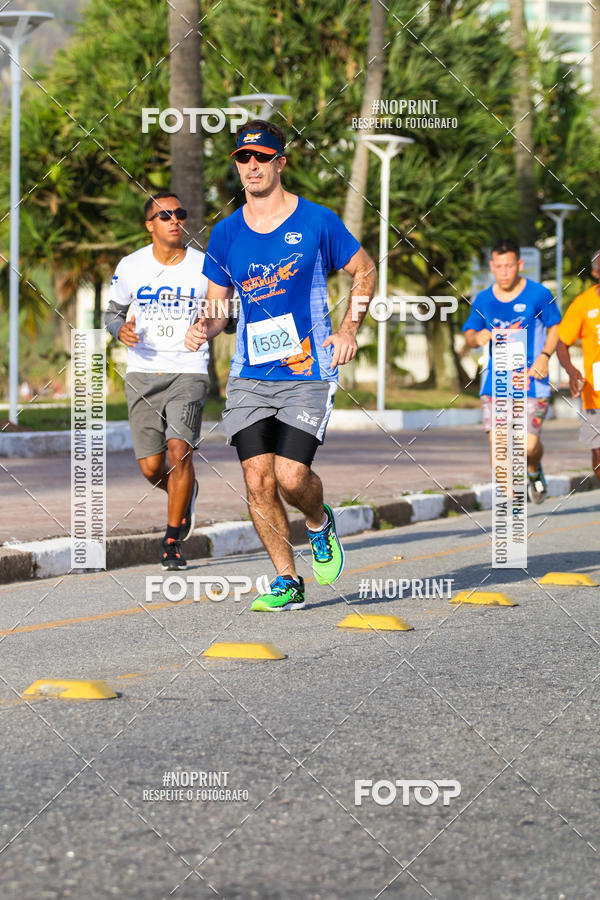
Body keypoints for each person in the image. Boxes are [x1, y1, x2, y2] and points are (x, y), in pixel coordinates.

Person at [185, 120, 376, 610]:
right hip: (250, 376)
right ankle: (287, 580)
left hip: (308, 374)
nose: (251, 166)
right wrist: (201, 327)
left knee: (292, 478)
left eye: (261, 157)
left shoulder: (316, 222)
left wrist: (349, 329)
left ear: (280, 163)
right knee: (257, 480)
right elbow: (218, 307)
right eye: (243, 158)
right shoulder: (226, 234)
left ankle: (317, 521)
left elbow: (365, 270)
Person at [104, 190, 209, 570]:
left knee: (179, 452)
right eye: (165, 215)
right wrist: (120, 331)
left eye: (180, 213)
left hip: (189, 368)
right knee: (152, 467)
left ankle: (171, 540)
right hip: (143, 372)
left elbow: (226, 314)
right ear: (150, 225)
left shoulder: (203, 264)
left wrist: (210, 325)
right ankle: (185, 493)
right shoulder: (131, 266)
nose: (174, 220)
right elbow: (111, 313)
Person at [463, 239, 561, 503]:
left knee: (527, 446)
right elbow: (469, 335)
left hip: (532, 382)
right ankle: (512, 508)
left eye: (509, 266)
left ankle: (534, 468)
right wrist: (477, 337)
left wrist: (544, 357)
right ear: (492, 267)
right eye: (498, 267)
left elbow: (555, 327)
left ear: (519, 264)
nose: (504, 272)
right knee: (500, 447)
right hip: (495, 383)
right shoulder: (483, 299)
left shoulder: (538, 294)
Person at [556, 250, 600, 485]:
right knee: (598, 451)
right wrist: (572, 371)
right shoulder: (583, 304)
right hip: (595, 392)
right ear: (595, 273)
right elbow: (561, 343)